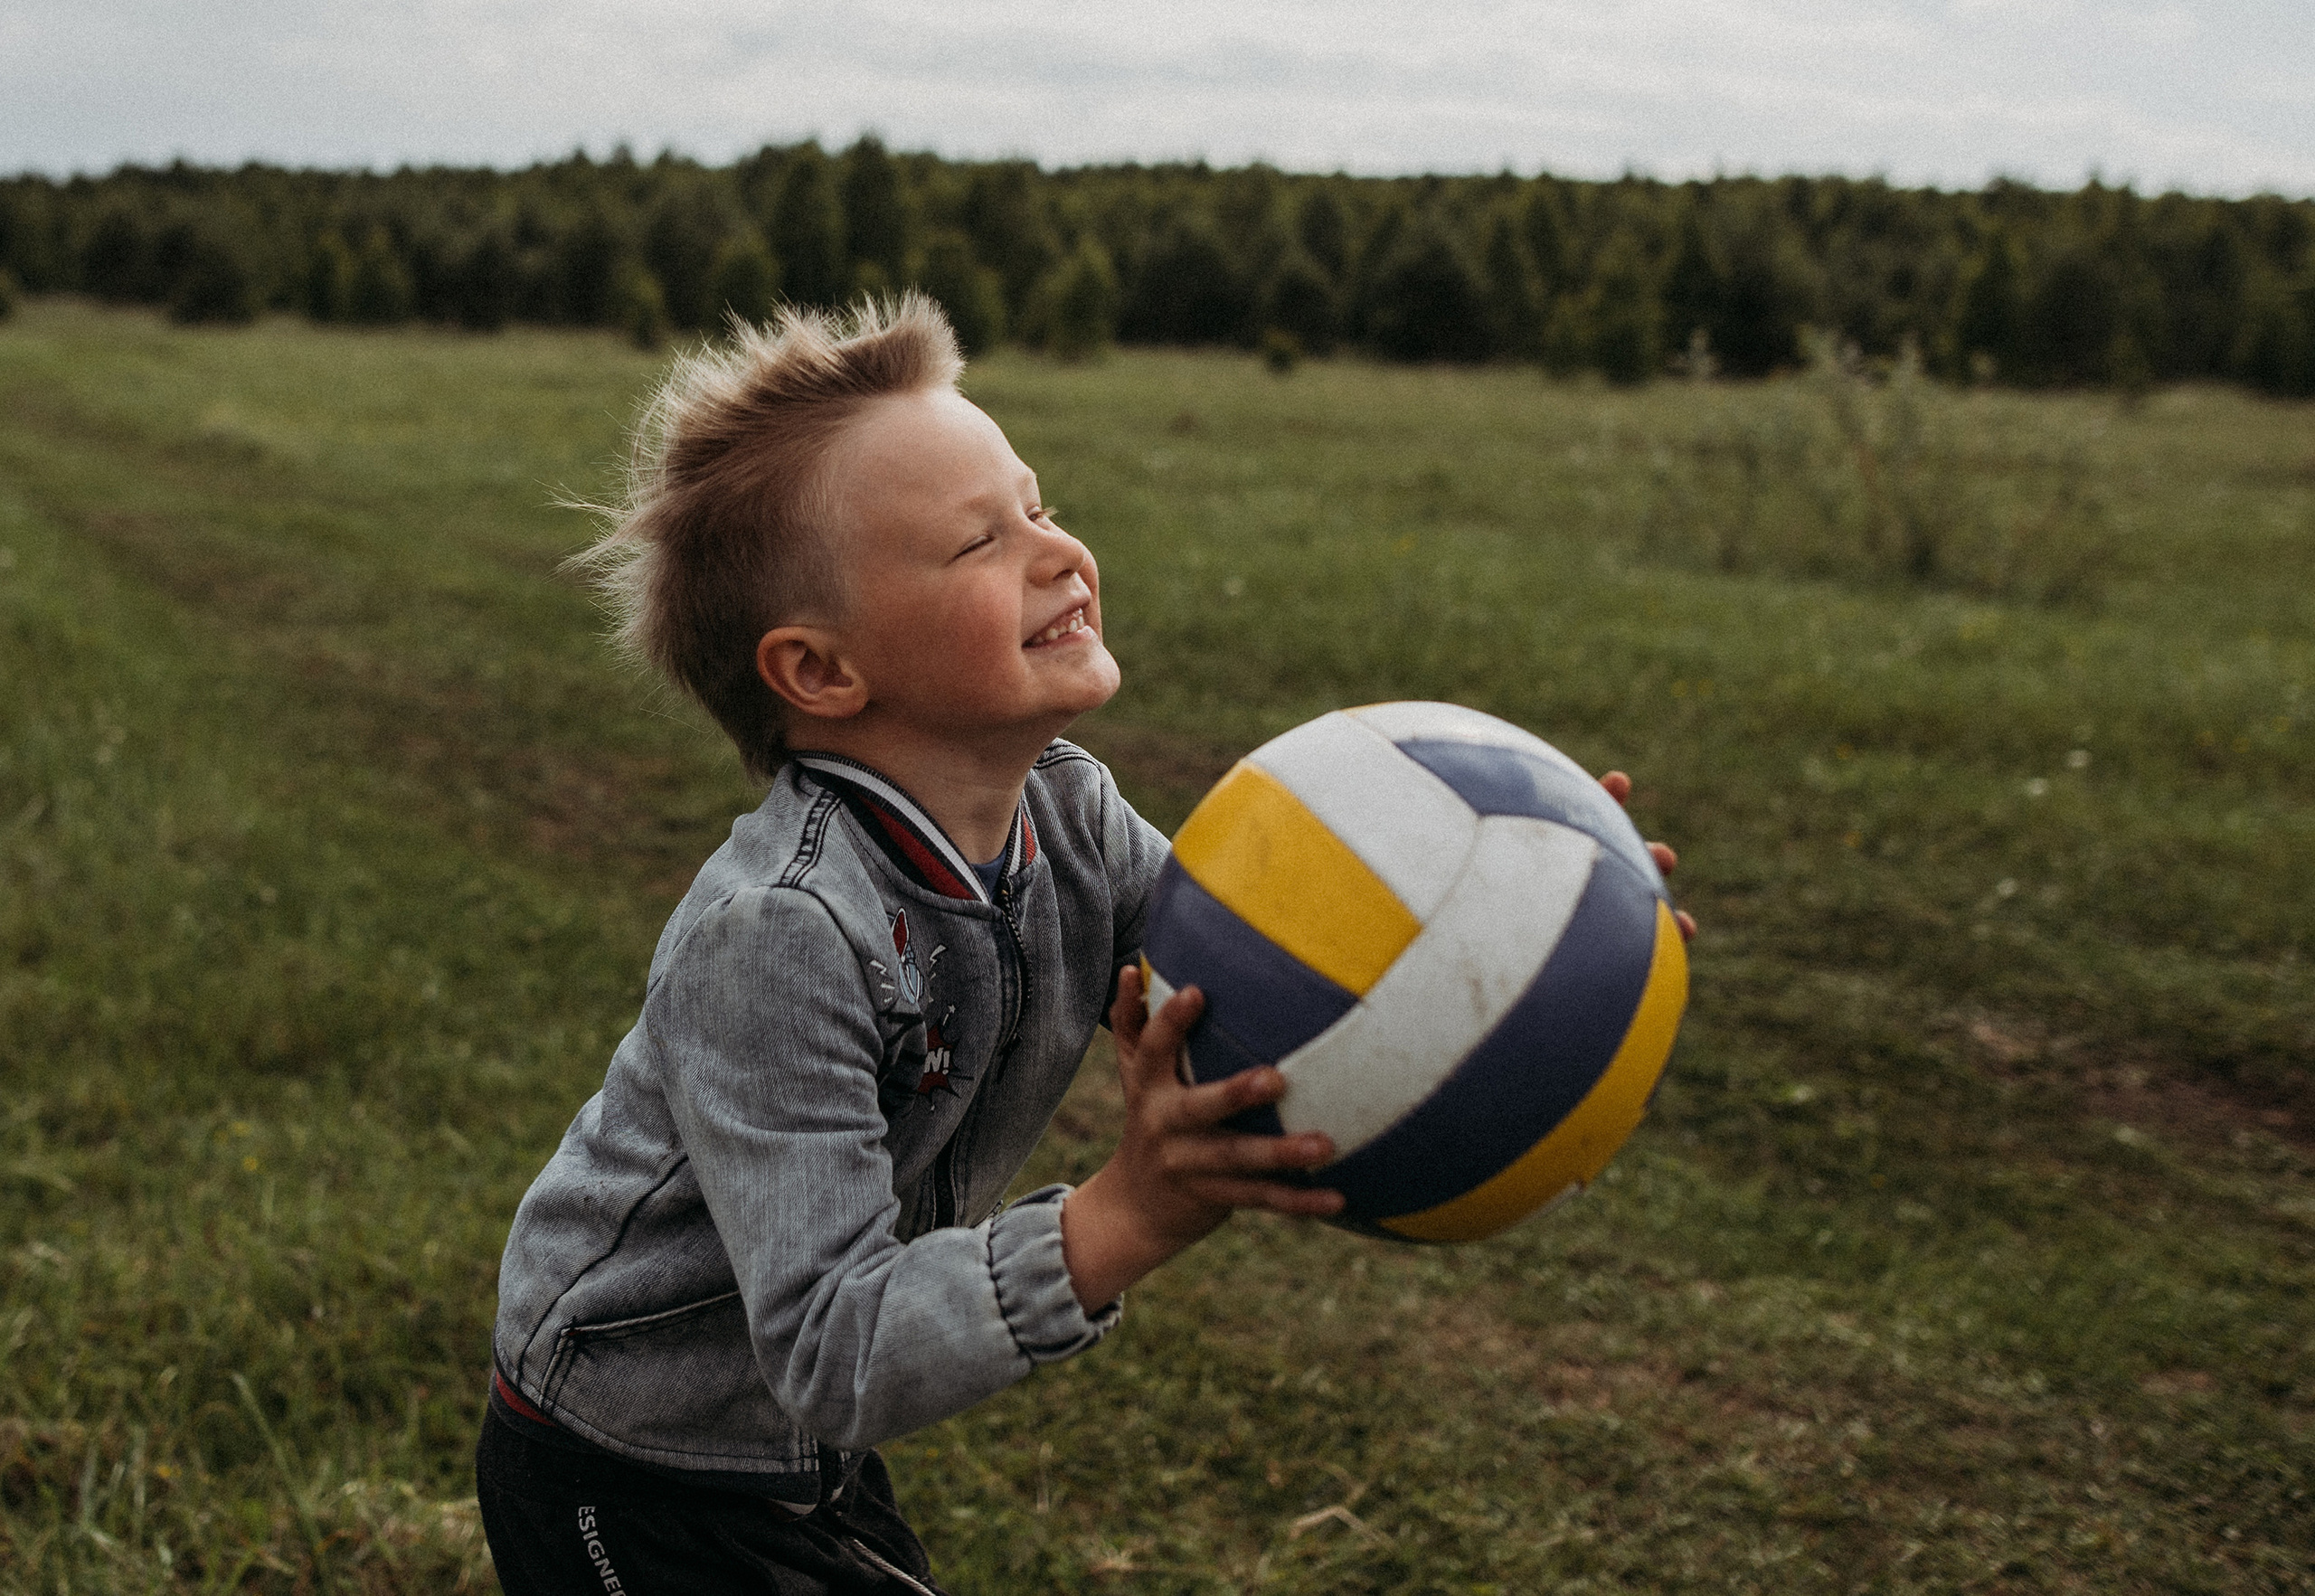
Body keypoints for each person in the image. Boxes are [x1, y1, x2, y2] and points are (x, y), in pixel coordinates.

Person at [475, 294, 1687, 1594]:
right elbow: (834, 1346)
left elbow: (1258, 975)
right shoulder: (776, 939)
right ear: (820, 672)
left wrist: (1533, 908)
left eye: (1039, 506)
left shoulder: (1070, 812)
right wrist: (1124, 1215)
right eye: (978, 542)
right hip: (625, 1459)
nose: (1059, 552)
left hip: (789, 1449)